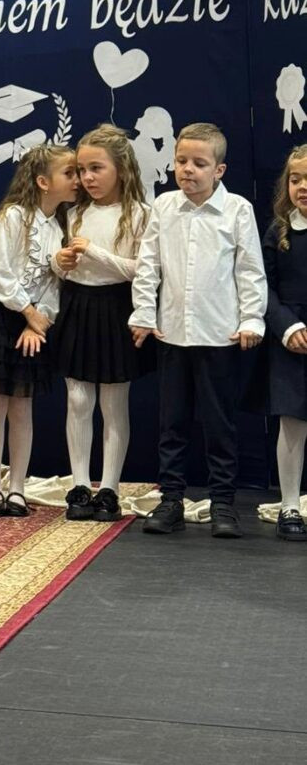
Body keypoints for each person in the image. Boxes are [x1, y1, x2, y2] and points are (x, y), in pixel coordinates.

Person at [130, 122, 266, 539]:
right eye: (181, 161)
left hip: (219, 334)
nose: (187, 169)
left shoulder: (237, 210)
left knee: (219, 424)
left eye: (199, 163)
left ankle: (223, 503)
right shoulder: (164, 207)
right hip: (172, 333)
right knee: (171, 423)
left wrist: (252, 318)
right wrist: (143, 313)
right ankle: (171, 500)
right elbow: (148, 265)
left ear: (219, 170)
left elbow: (249, 269)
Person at [0, 142, 79, 518]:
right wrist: (26, 311)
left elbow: (56, 282)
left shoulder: (62, 225)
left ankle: (18, 486)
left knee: (22, 406)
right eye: (69, 173)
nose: (77, 180)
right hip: (0, 317)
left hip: (33, 324)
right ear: (43, 181)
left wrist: (40, 321)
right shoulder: (14, 217)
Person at [51, 125, 152, 522]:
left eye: (96, 169)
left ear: (121, 169)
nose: (87, 178)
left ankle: (109, 488)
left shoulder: (140, 214)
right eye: (81, 170)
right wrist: (61, 262)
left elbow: (142, 269)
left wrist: (95, 253)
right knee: (77, 400)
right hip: (77, 305)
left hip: (117, 307)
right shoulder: (72, 213)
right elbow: (58, 267)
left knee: (113, 402)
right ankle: (80, 485)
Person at [255, 146, 307, 540]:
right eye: (295, 179)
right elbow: (263, 288)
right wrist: (287, 327)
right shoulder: (279, 231)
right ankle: (290, 505)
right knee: (291, 423)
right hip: (292, 340)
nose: (302, 186)